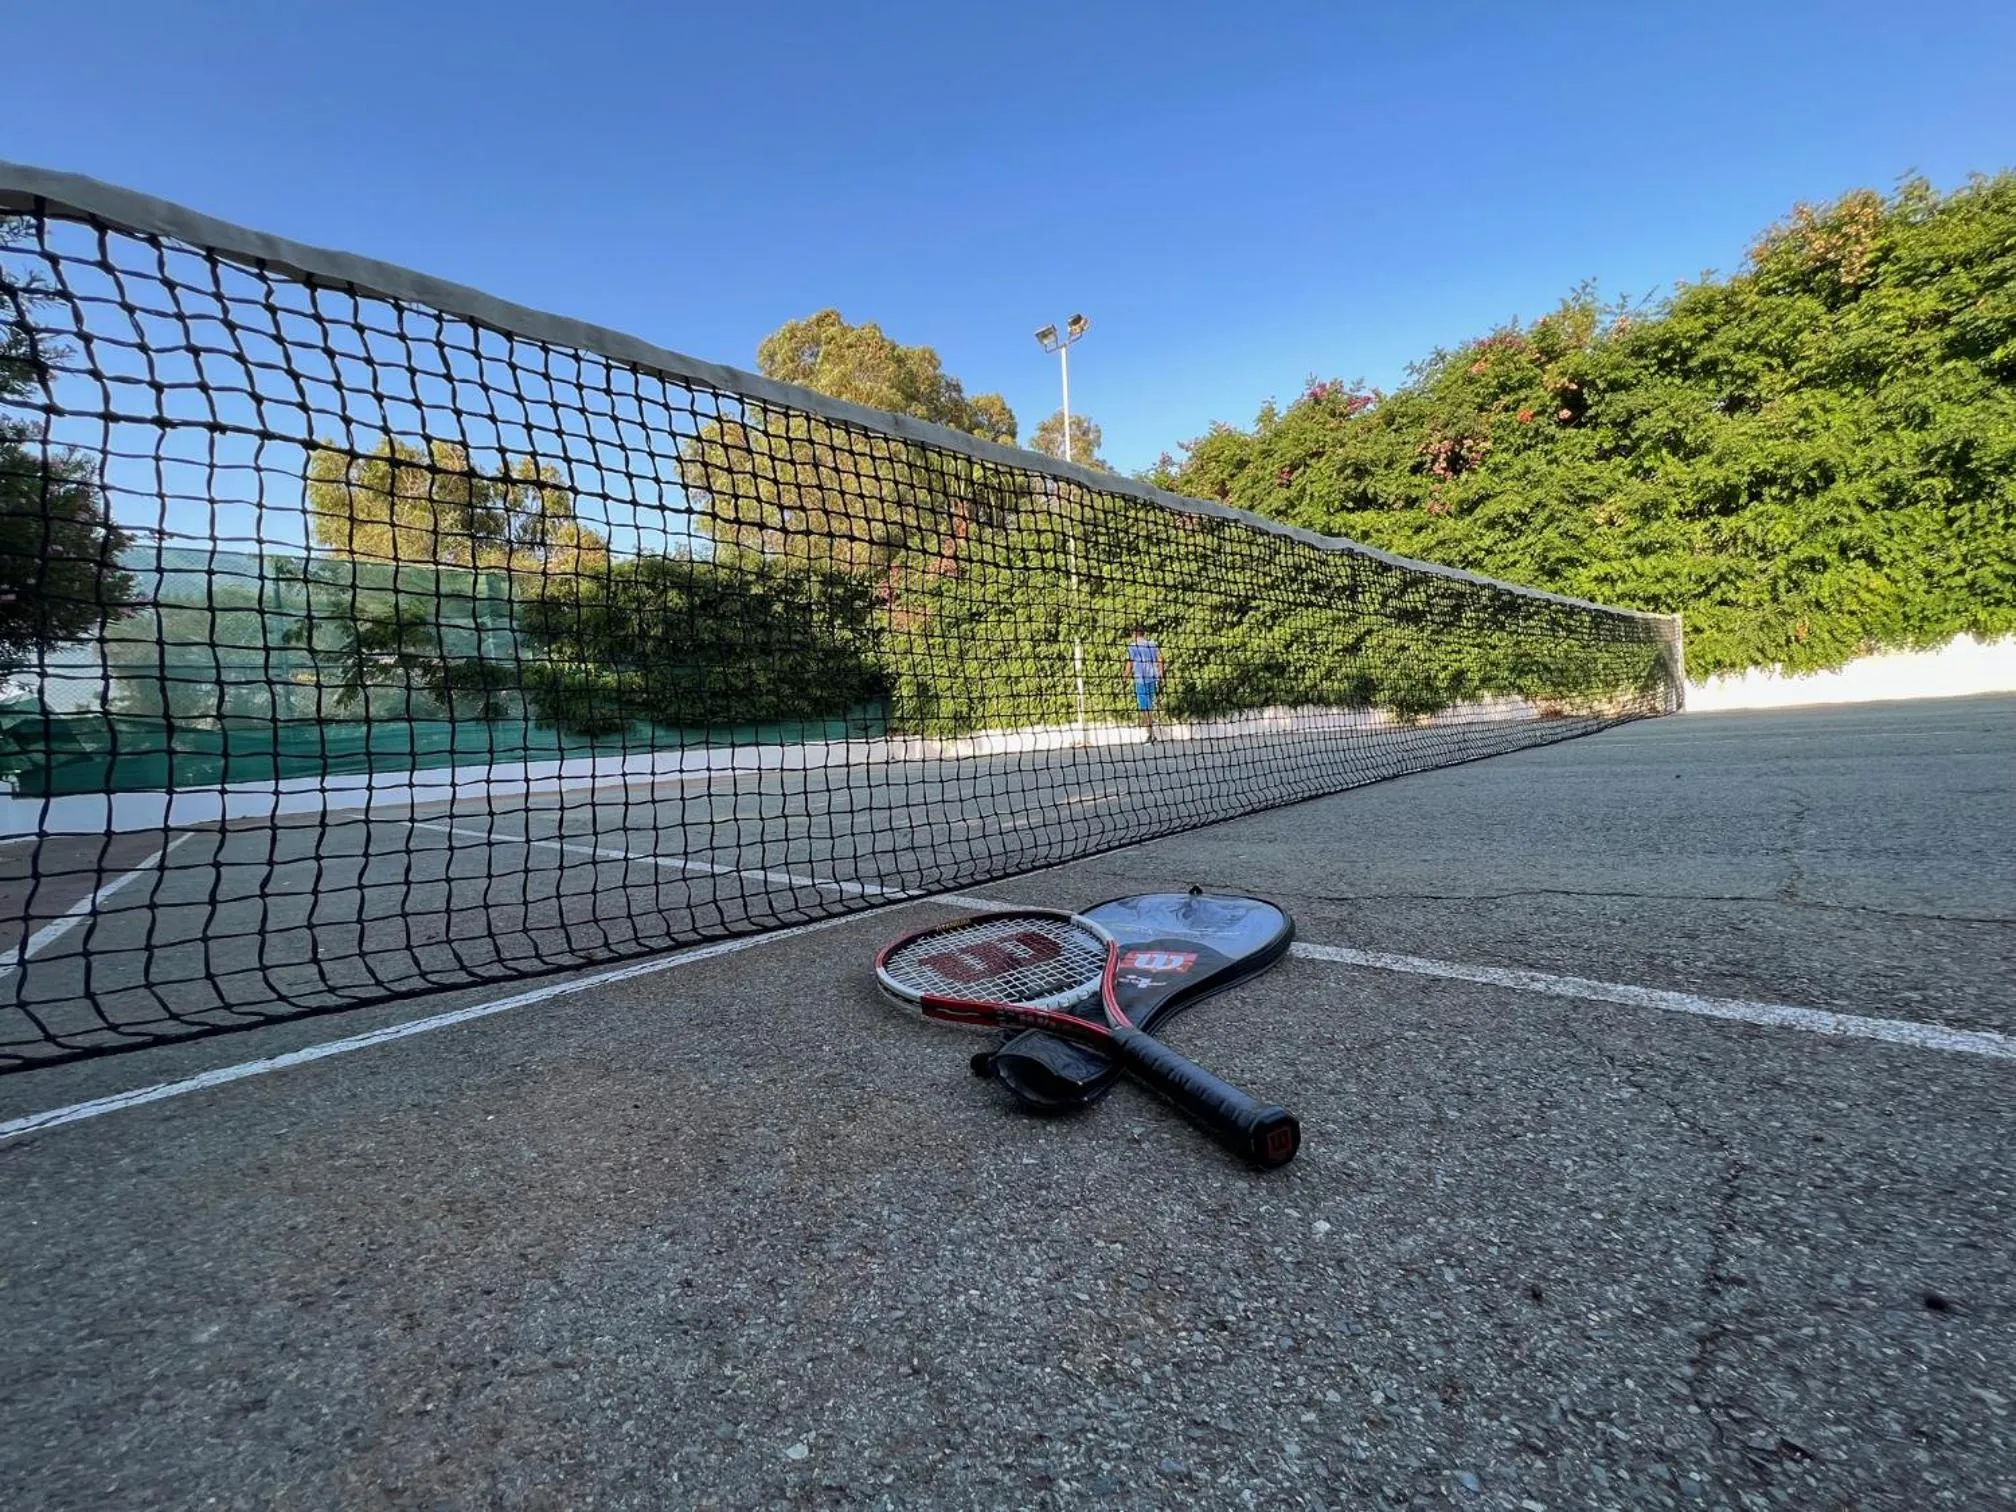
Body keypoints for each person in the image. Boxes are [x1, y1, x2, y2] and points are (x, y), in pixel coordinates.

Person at [1124, 625, 1163, 741]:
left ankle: (1149, 734)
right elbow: (1160, 659)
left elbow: (1130, 663)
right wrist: (1161, 675)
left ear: (1135, 634)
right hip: (1152, 679)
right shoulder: (1152, 644)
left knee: (1144, 708)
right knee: (1148, 707)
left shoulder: (1132, 646)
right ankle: (1152, 733)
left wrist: (1125, 677)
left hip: (1140, 680)